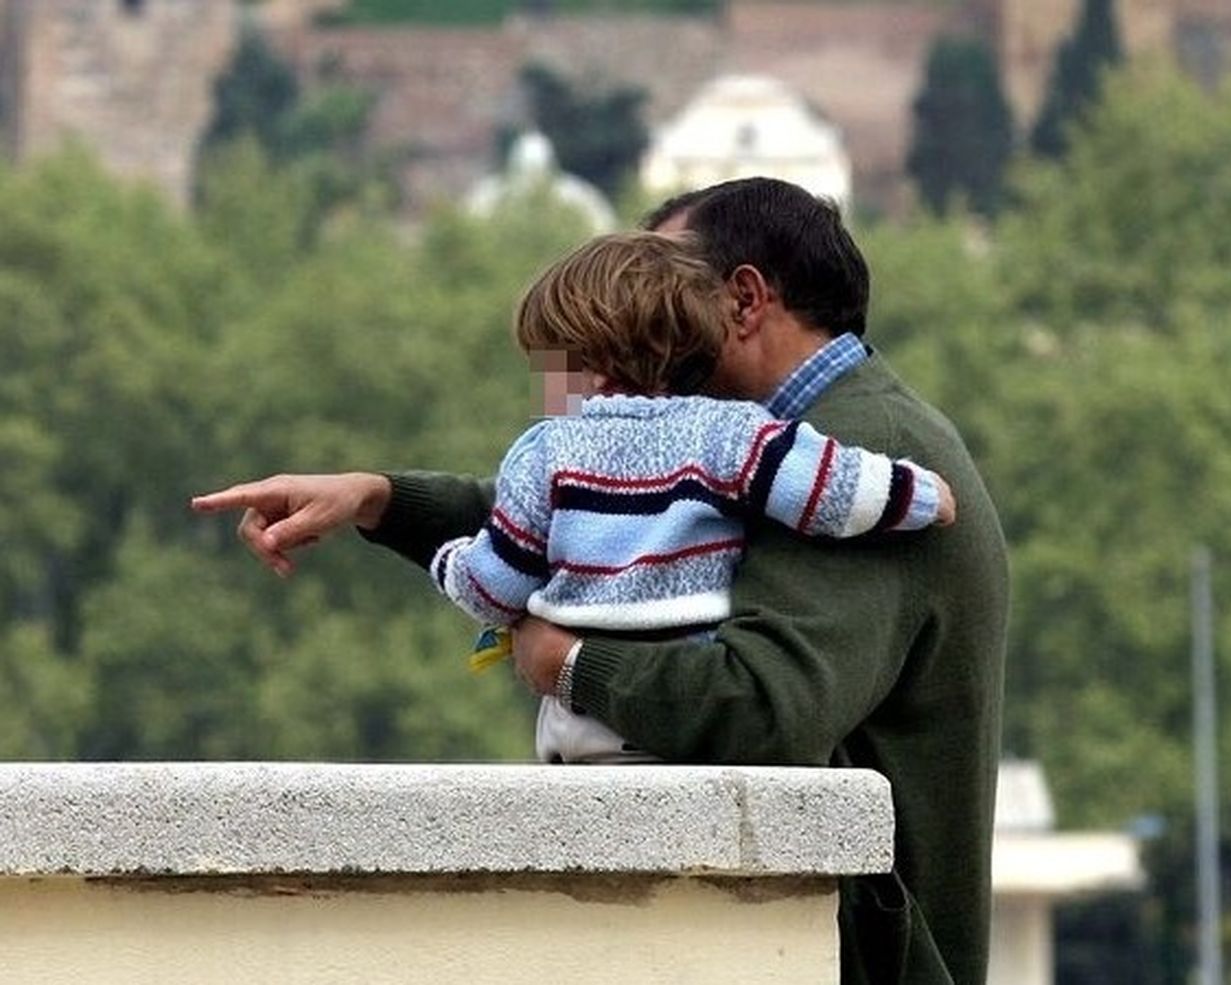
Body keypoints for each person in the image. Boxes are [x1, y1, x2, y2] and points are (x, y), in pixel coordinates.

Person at [192, 177, 1009, 985]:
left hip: (859, 954)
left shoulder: (856, 449)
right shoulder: (771, 443)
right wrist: (380, 500)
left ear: (744, 300)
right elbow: (587, 518)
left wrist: (571, 662)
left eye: (663, 286)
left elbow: (767, 706)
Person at [434, 230, 954, 763]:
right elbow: (830, 489)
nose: (541, 386)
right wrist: (920, 494)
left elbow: (495, 587)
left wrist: (449, 563)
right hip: (679, 709)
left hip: (580, 723)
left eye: (545, 366)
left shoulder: (545, 450)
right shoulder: (730, 432)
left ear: (584, 364)